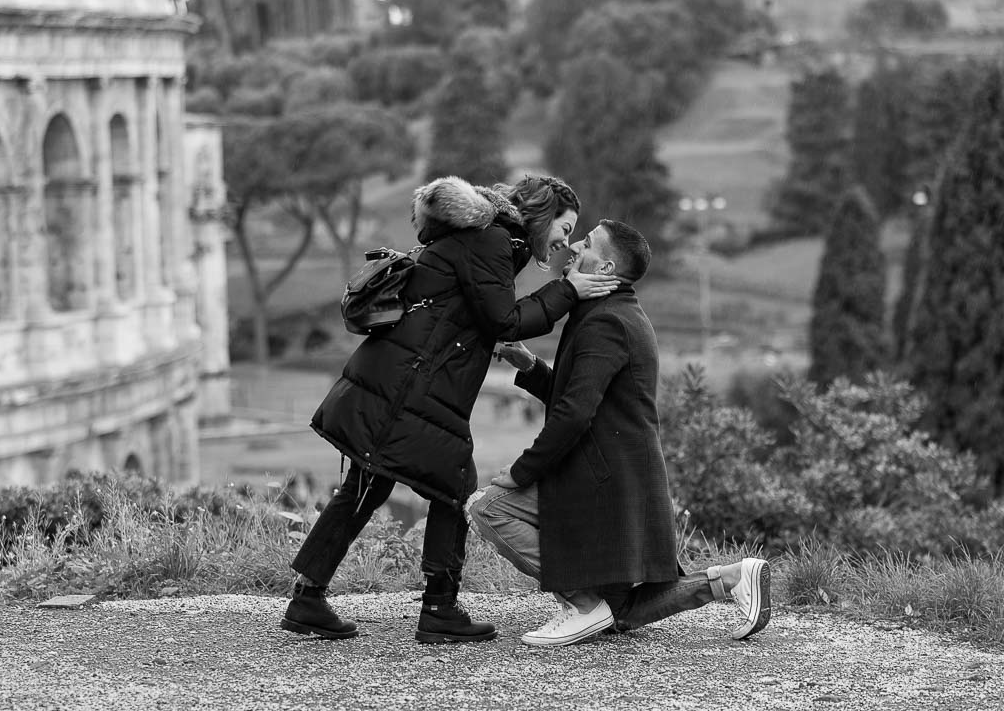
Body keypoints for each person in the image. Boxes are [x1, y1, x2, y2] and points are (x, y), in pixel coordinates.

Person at [281, 175, 618, 644]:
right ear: (542, 218)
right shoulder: (493, 240)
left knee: (370, 483)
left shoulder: (492, 239)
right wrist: (570, 291)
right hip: (413, 385)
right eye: (564, 227)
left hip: (403, 379)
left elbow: (485, 317)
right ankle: (438, 608)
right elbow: (506, 320)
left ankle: (309, 596)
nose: (565, 240)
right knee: (453, 484)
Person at [470, 219, 771, 647]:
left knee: (489, 508)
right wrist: (532, 368)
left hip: (601, 480)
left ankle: (579, 602)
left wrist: (522, 472)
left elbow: (575, 412)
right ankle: (733, 579)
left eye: (587, 243)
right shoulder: (612, 312)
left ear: (606, 268)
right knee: (618, 611)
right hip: (621, 475)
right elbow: (587, 393)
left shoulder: (605, 322)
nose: (573, 247)